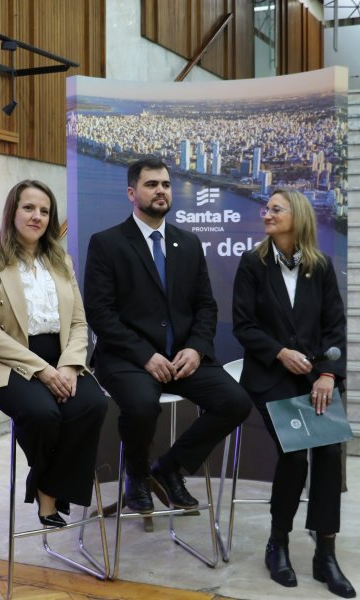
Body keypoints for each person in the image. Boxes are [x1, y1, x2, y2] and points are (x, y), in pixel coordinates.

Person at [83, 156, 251, 514]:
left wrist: (195, 349)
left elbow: (206, 305)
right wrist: (145, 355)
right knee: (142, 406)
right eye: (151, 185)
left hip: (183, 357)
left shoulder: (188, 243)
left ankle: (170, 467)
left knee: (235, 402)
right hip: (128, 359)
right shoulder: (107, 243)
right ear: (132, 193)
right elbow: (100, 313)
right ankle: (138, 477)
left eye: (165, 184)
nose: (160, 191)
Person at [232, 187, 355, 598]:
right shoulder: (252, 263)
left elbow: (335, 327)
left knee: (328, 450)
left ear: (297, 216)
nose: (266, 214)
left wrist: (328, 376)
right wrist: (281, 352)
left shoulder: (320, 266)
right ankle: (278, 542)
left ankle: (326, 551)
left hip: (315, 377)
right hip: (270, 375)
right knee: (294, 450)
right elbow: (244, 326)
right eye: (266, 209)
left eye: (275, 209)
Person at [0, 180, 108, 527]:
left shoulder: (62, 263)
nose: (37, 216)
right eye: (28, 208)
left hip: (61, 358)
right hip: (4, 360)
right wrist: (42, 371)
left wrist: (72, 365)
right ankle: (46, 493)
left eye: (44, 211)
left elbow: (77, 322)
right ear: (12, 212)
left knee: (93, 404)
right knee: (43, 414)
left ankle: (47, 483)